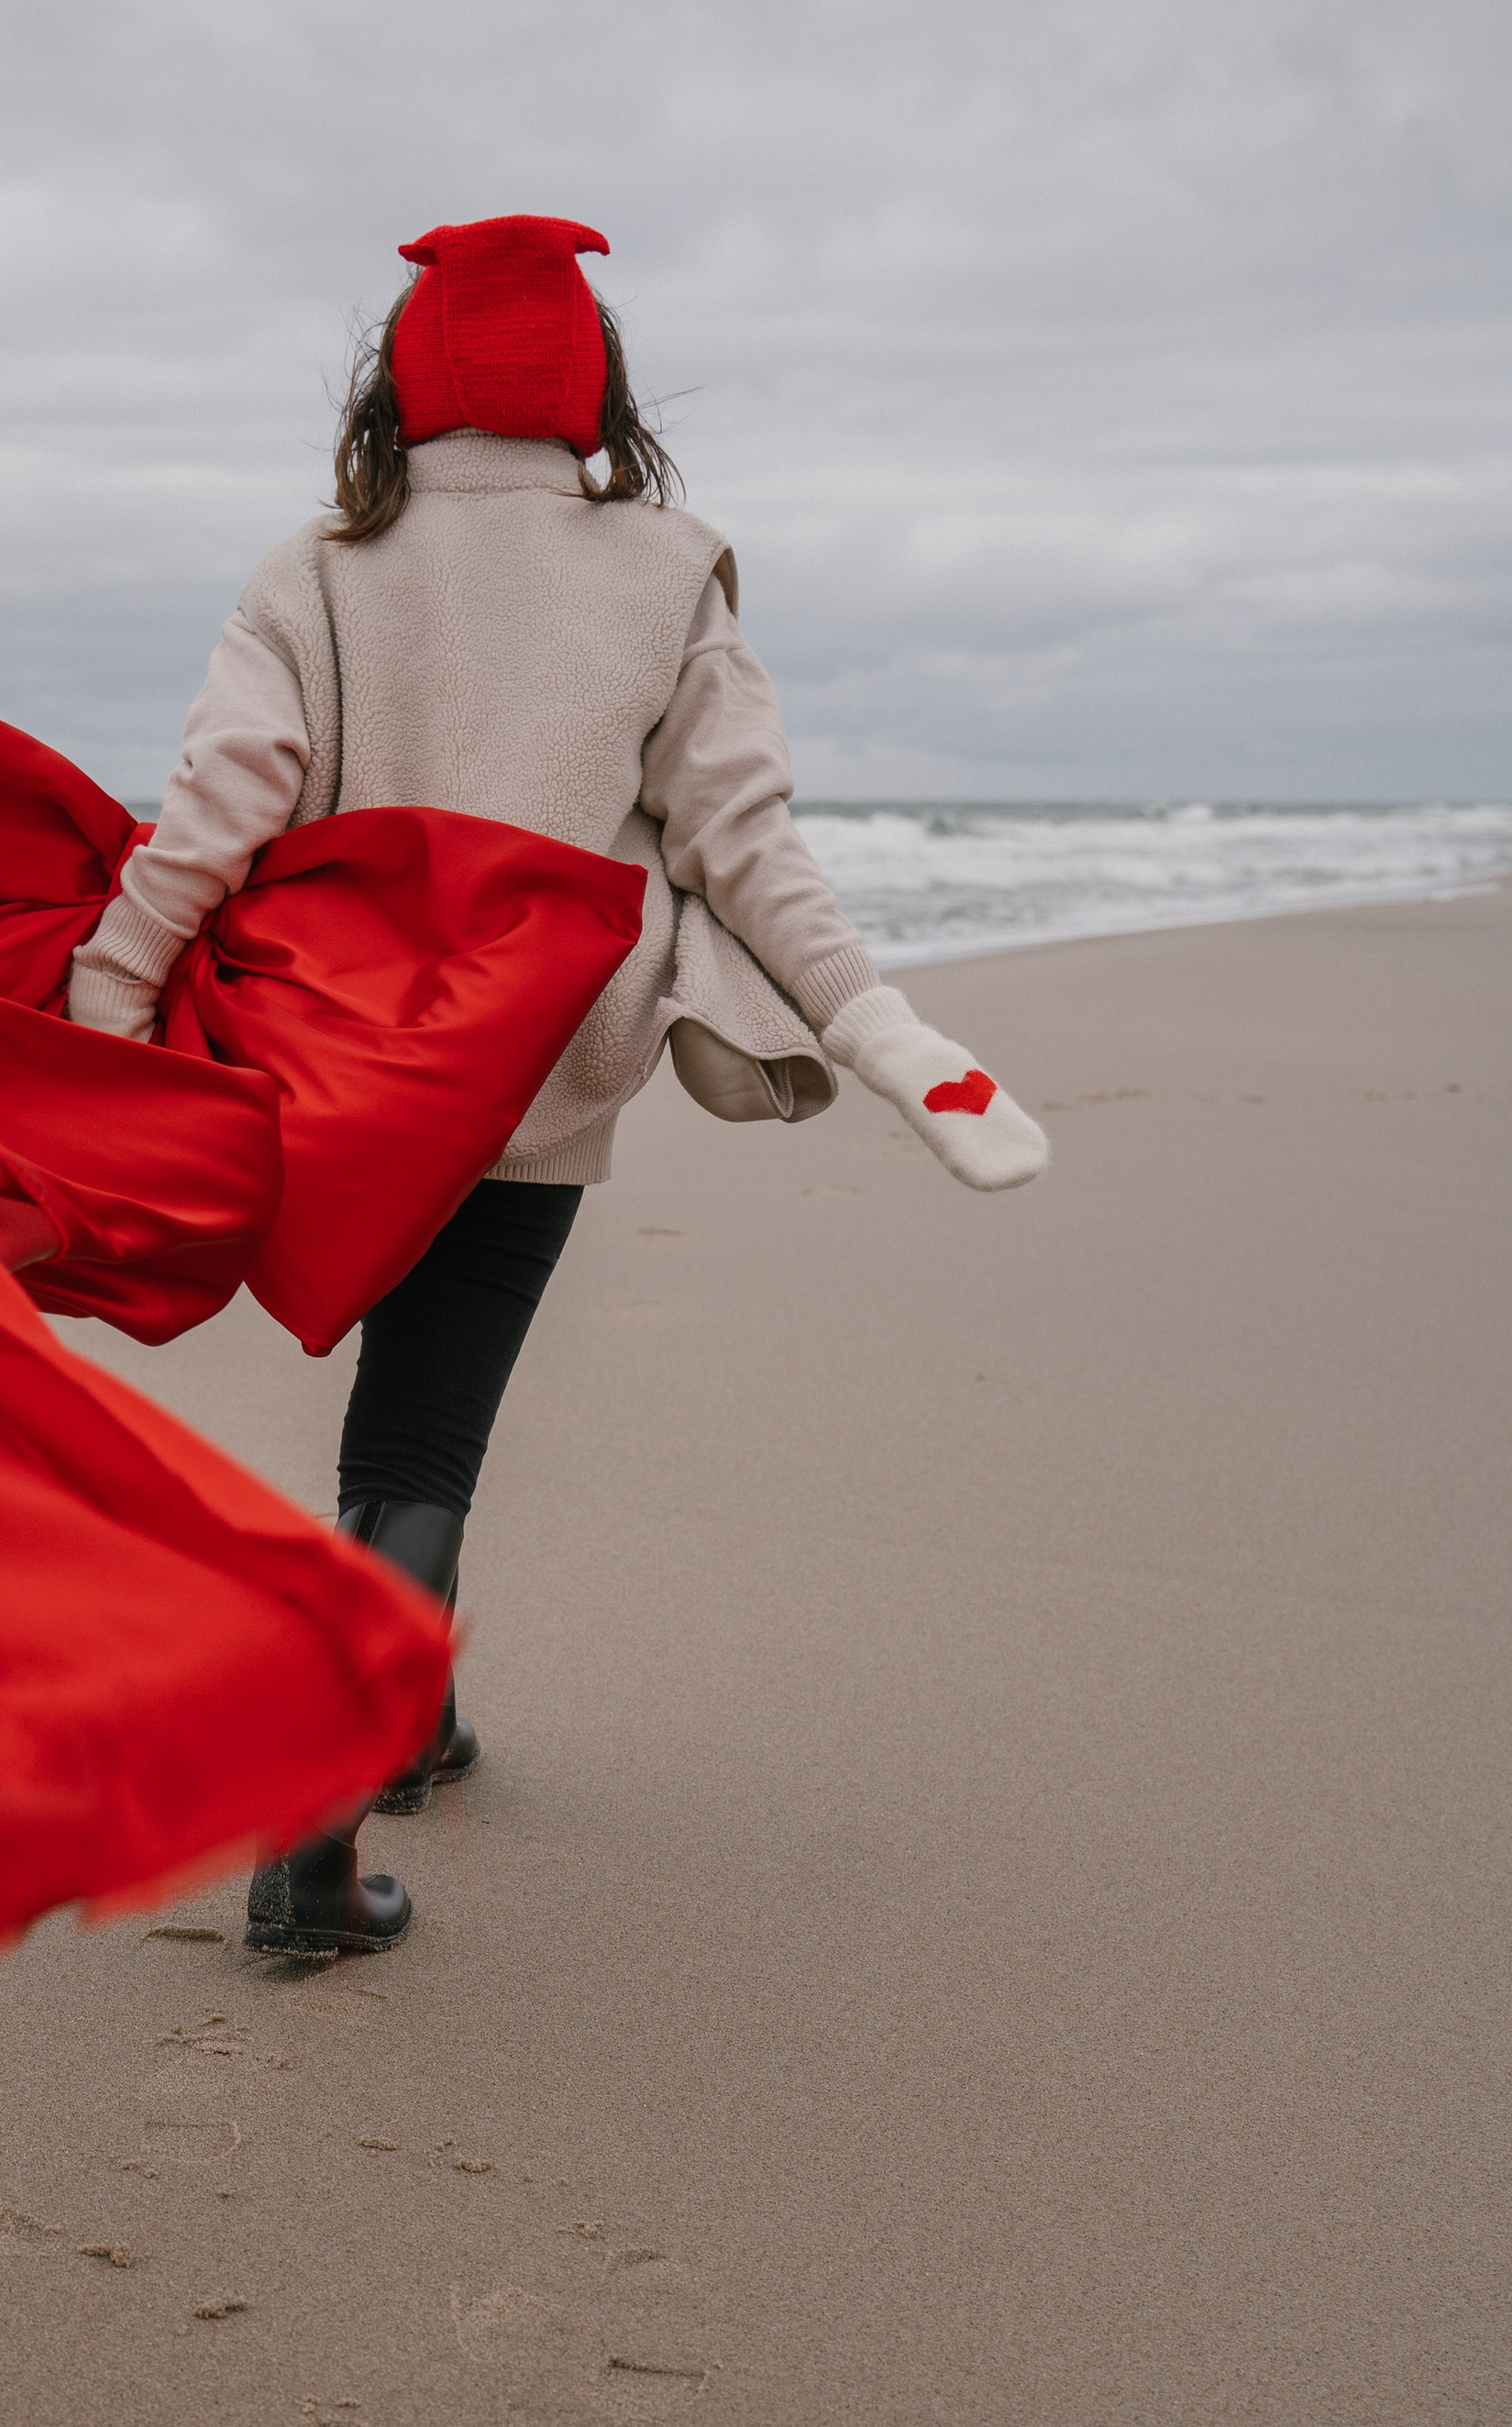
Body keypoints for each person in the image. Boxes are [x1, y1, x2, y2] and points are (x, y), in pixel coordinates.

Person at [68, 215, 1048, 1955]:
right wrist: (880, 1027)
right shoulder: (665, 572)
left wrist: (107, 995)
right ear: (589, 392)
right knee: (428, 1431)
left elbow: (219, 804)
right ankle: (311, 1833)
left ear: (401, 390)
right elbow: (743, 847)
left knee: (402, 1418)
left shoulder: (316, 569)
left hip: (341, 1068)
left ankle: (408, 1717)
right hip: (533, 1070)